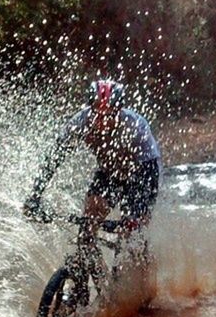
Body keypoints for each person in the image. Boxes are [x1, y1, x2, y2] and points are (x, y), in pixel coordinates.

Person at [23, 79, 161, 250]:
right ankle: (85, 259)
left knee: (134, 235)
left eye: (109, 114)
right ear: (91, 108)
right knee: (89, 219)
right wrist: (35, 195)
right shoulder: (80, 122)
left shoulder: (135, 127)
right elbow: (54, 159)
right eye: (97, 112)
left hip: (142, 174)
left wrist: (136, 217)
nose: (102, 120)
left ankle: (141, 268)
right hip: (109, 171)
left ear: (119, 110)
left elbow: (149, 173)